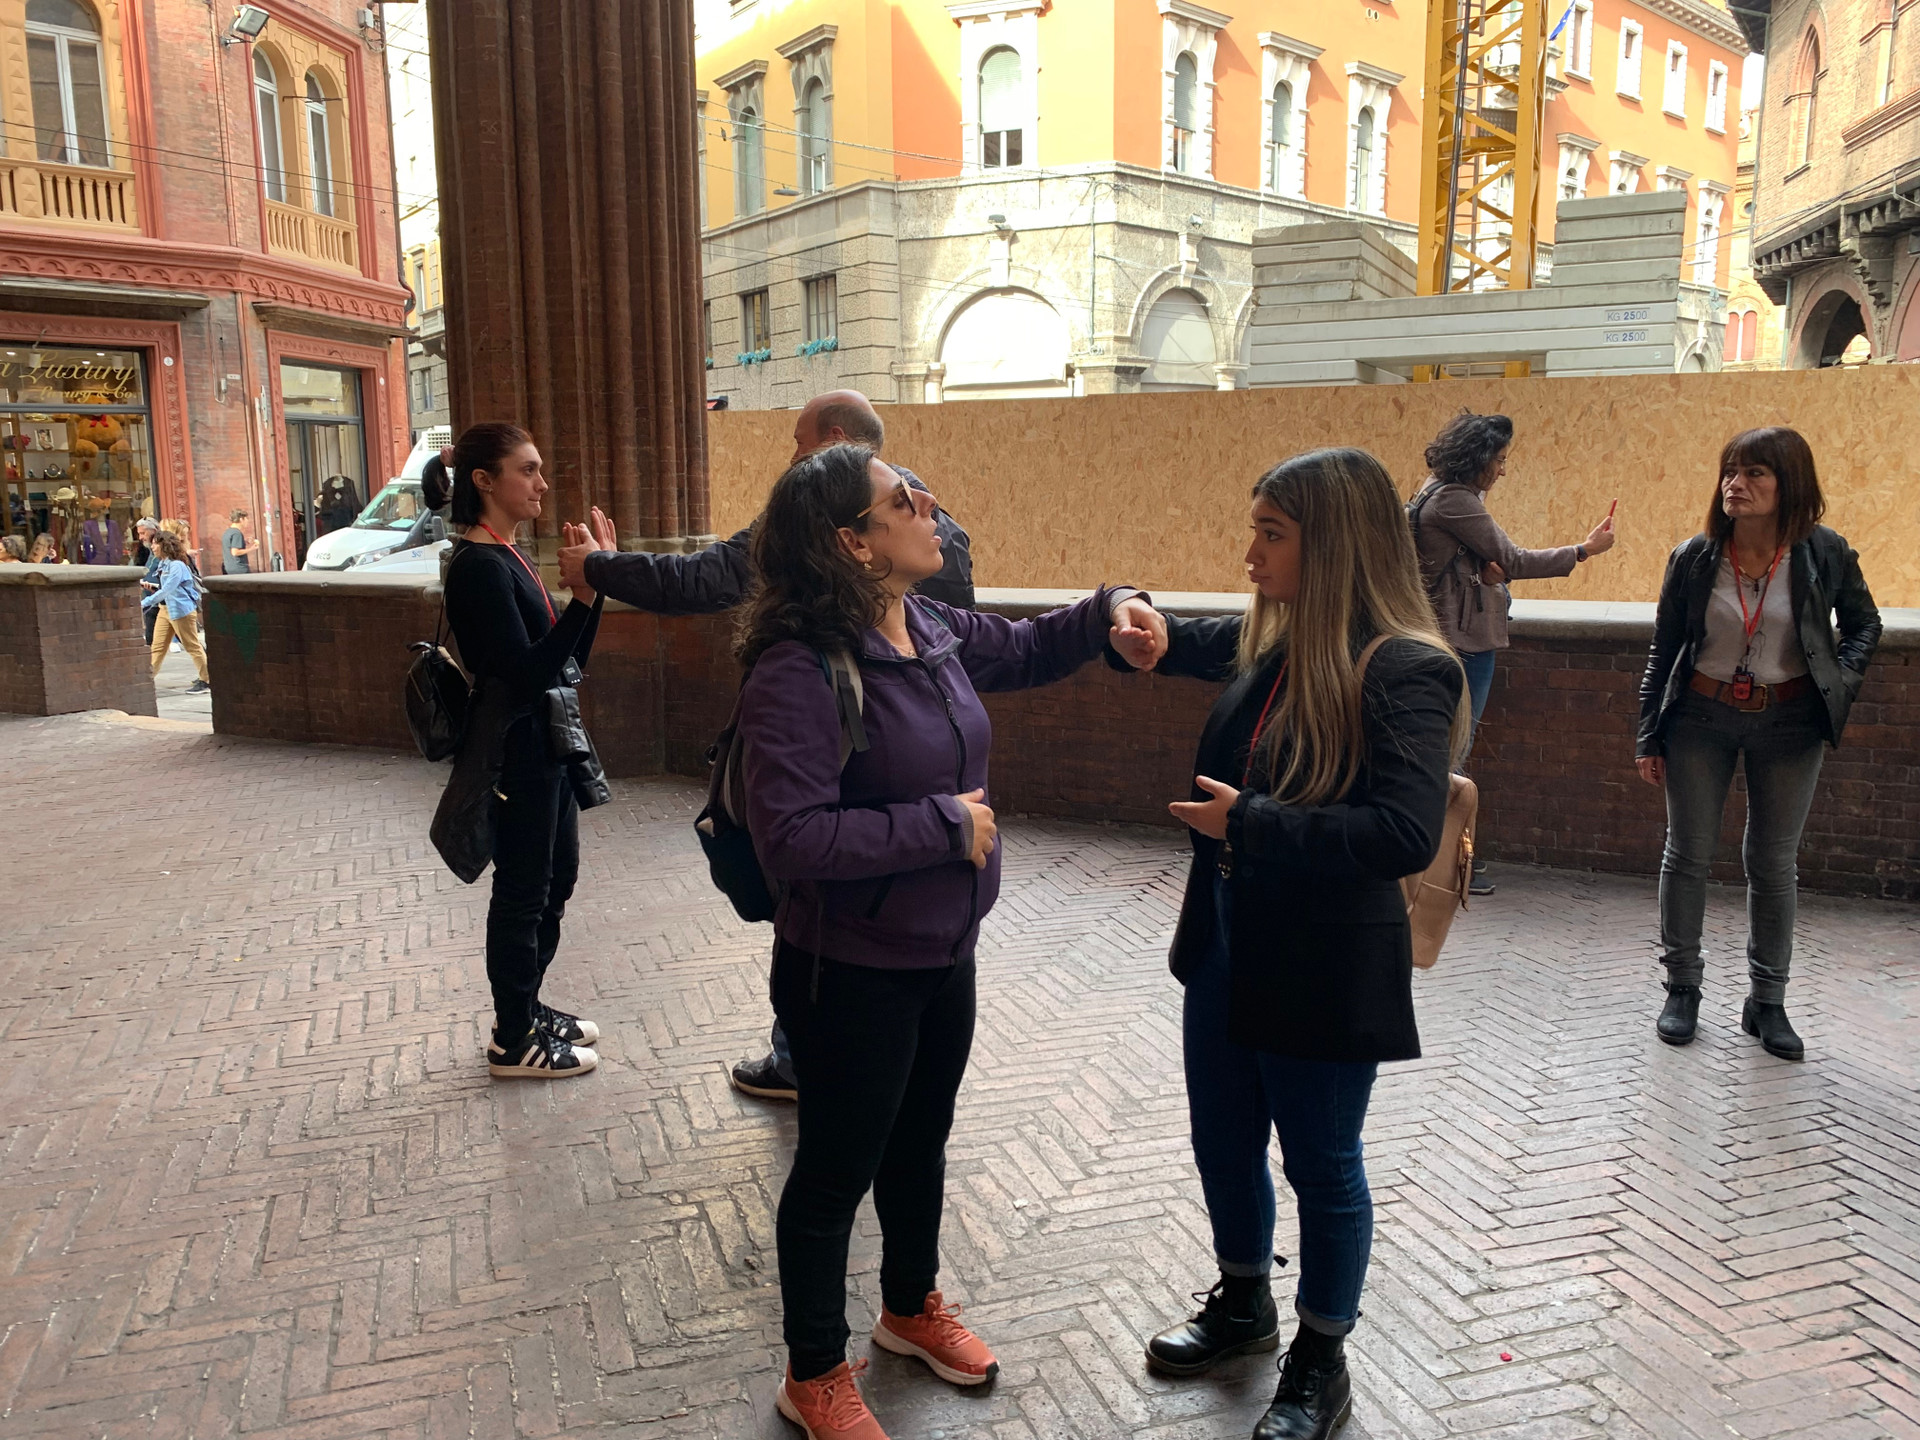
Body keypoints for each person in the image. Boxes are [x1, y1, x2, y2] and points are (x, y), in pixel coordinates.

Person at [731, 442, 1161, 1439]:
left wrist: (1118, 605)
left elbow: (1030, 645)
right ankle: (812, 1371)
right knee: (835, 1171)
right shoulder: (798, 668)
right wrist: (939, 825)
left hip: (941, 951)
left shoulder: (926, 626)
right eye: (904, 499)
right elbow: (789, 838)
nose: (930, 505)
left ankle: (907, 1309)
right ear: (855, 542)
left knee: (920, 1141)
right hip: (847, 968)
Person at [1125, 448, 1467, 1440]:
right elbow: (1211, 641)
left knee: (1322, 1163)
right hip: (1225, 947)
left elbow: (1402, 834)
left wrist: (1252, 822)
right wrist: (1151, 631)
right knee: (1223, 1139)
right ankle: (1244, 1302)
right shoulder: (1281, 641)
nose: (1251, 555)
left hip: (1324, 963)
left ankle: (1322, 1358)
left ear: (1337, 546)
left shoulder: (1407, 667)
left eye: (1272, 535)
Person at [559, 388, 976, 1105]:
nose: (792, 458)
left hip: (860, 772)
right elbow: (973, 640)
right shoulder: (936, 529)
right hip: (927, 771)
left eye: (800, 442)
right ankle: (859, 1064)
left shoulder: (823, 530)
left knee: (824, 904)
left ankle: (802, 1061)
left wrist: (599, 568)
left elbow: (706, 578)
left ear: (836, 442)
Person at [1637, 428, 1880, 1061]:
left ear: (1788, 484)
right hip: (1700, 717)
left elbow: (1864, 623)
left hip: (1791, 723)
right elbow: (1664, 648)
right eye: (1730, 472)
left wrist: (1838, 682)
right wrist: (1648, 733)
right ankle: (1682, 988)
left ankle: (1767, 1000)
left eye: (1754, 474)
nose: (1735, 485)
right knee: (1687, 853)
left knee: (1772, 864)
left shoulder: (1823, 552)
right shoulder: (1695, 557)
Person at [435, 424, 610, 1080]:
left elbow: (568, 662)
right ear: (485, 480)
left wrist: (594, 592)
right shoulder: (478, 567)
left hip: (547, 743)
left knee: (555, 879)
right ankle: (513, 1038)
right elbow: (526, 672)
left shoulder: (508, 555)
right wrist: (584, 596)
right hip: (517, 749)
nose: (542, 483)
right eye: (527, 470)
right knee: (523, 891)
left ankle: (526, 1008)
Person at [1408, 411, 1615, 895]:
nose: (1503, 470)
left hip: (1444, 635)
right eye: (1499, 460)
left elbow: (1481, 561)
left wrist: (1484, 570)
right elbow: (1515, 560)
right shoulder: (1456, 501)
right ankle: (1442, 865)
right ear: (1478, 458)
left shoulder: (1432, 491)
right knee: (1452, 755)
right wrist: (1584, 550)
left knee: (1445, 752)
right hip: (1464, 643)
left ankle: (1440, 860)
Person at [142, 528, 211, 692]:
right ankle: (146, 681)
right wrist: (154, 588)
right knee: (157, 647)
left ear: (164, 545)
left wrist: (144, 602)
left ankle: (207, 680)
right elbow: (167, 588)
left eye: (155, 544)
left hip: (181, 611)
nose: (152, 547)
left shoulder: (177, 566)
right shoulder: (163, 564)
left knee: (192, 646)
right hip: (165, 609)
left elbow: (168, 589)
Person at [135, 518, 163, 644]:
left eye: (143, 533)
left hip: (161, 600)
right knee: (153, 641)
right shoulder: (150, 550)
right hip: (153, 600)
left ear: (154, 531)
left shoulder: (162, 550)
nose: (141, 537)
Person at [222, 509, 258, 575]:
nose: (248, 521)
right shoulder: (237, 533)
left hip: (228, 567)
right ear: (241, 519)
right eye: (246, 518)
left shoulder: (227, 532)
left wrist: (244, 542)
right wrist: (251, 549)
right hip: (239, 568)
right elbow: (235, 552)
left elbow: (230, 546)